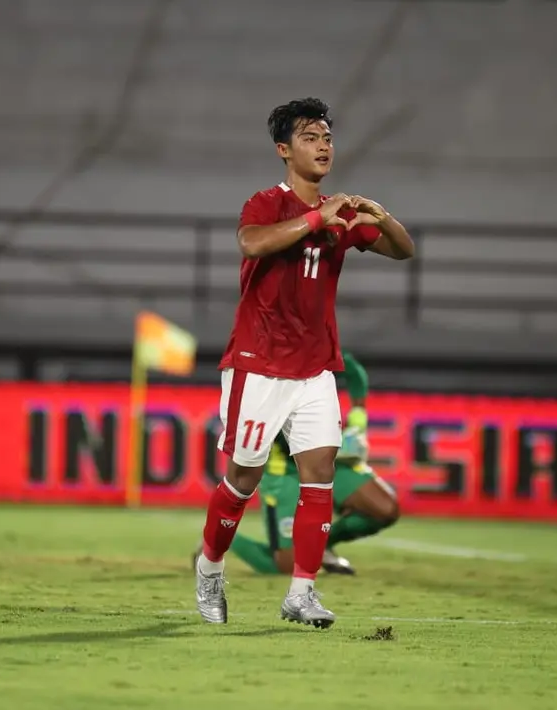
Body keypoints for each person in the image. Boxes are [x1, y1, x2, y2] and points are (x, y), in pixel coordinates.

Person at [194, 97, 416, 628]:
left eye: (327, 137)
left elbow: (403, 250)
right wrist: (319, 216)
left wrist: (378, 214)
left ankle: (301, 592)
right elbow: (252, 244)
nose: (323, 146)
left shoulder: (340, 214)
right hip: (258, 363)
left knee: (318, 475)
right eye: (310, 137)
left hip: (315, 367)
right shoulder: (267, 203)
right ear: (283, 149)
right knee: (242, 479)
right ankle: (209, 568)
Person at [201, 350, 400, 578]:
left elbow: (353, 370)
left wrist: (358, 417)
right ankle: (217, 539)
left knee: (384, 509)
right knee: (288, 566)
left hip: (326, 456)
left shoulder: (313, 341)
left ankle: (321, 546)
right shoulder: (259, 361)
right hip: (283, 469)